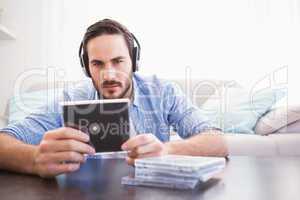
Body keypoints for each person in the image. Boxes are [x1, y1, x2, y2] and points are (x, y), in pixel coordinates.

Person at [0, 19, 228, 178]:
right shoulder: (72, 98)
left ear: (133, 61)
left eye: (118, 61)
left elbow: (217, 141)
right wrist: (33, 159)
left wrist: (167, 150)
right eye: (98, 64)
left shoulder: (163, 91)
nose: (109, 74)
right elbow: (4, 140)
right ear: (87, 68)